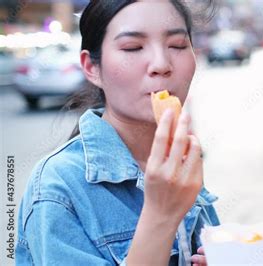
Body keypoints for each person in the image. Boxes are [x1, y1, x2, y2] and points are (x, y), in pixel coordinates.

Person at [15, 1, 218, 265]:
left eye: (178, 45)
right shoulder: (57, 189)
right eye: (133, 47)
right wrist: (159, 215)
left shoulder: (178, 162)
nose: (161, 64)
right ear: (91, 67)